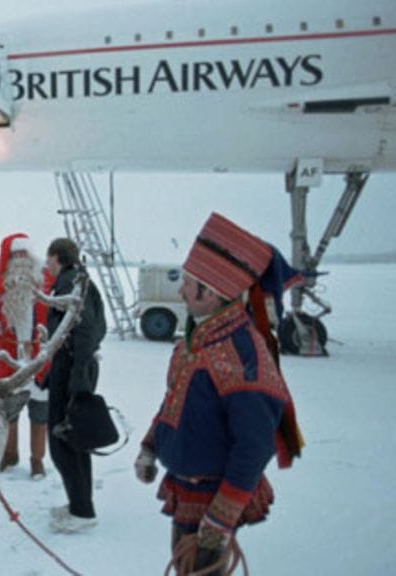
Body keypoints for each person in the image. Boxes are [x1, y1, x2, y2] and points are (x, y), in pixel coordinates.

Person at [134, 212, 304, 575]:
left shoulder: (242, 356)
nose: (180, 290)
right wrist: (150, 446)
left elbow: (255, 445)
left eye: (187, 283)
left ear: (209, 292)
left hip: (212, 500)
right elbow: (173, 402)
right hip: (185, 489)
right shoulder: (195, 342)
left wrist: (222, 517)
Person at [42, 238, 107, 533]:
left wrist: (76, 372)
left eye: (49, 258)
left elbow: (86, 329)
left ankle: (82, 512)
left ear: (58, 257)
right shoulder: (81, 280)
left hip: (73, 368)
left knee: (64, 442)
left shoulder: (70, 283)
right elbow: (97, 328)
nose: (46, 264)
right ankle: (80, 504)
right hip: (73, 365)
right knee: (76, 439)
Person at [0, 234, 52, 479]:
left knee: (40, 410)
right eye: (16, 254)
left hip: (38, 356)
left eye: (25, 253)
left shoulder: (46, 281)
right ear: (9, 257)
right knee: (9, 410)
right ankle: (10, 454)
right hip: (10, 357)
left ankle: (37, 460)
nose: (21, 258)